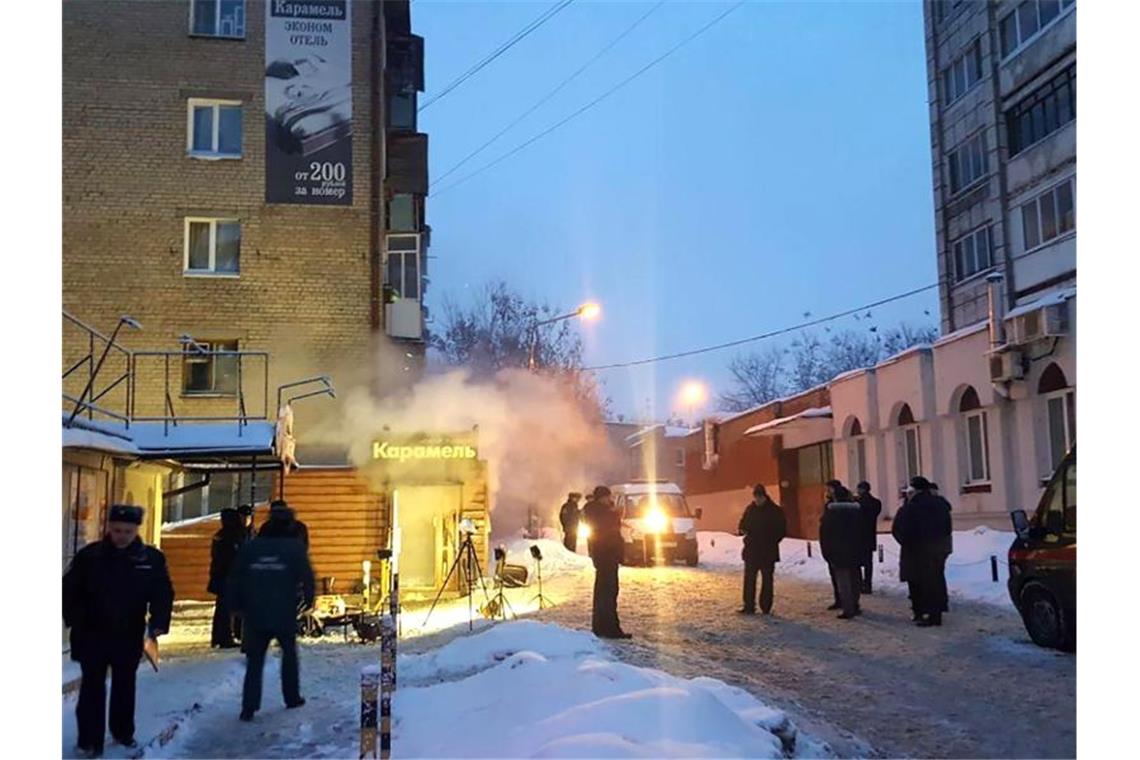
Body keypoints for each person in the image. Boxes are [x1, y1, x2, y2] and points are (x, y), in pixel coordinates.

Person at [63, 505, 175, 758]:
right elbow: (68, 590)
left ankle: (123, 732)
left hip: (128, 632)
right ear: (108, 528)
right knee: (92, 686)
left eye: (127, 531)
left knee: (125, 684)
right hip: (91, 632)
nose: (121, 535)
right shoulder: (90, 557)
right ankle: (89, 740)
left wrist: (158, 622)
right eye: (116, 530)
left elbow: (163, 593)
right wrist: (75, 618)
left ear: (137, 530)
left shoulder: (150, 559)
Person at [228, 513, 316, 721]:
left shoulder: (250, 548)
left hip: (255, 612)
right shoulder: (294, 549)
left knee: (255, 661)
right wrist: (307, 602)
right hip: (284, 612)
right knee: (289, 655)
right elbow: (308, 578)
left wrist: (235, 606)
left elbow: (234, 578)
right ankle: (291, 697)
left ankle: (248, 707)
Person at [892, 476, 953, 626]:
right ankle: (936, 614)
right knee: (936, 580)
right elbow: (947, 528)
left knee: (916, 582)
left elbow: (898, 529)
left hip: (915, 550)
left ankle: (920, 612)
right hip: (937, 548)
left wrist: (907, 543)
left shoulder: (910, 507)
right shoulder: (941, 505)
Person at [582, 485, 630, 639]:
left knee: (605, 593)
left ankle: (603, 627)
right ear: (602, 497)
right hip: (606, 556)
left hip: (605, 556)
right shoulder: (599, 512)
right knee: (608, 593)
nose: (610, 499)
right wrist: (616, 514)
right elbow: (608, 531)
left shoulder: (598, 511)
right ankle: (609, 628)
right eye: (608, 497)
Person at [736, 484, 787, 615]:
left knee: (767, 580)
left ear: (764, 496)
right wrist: (743, 530)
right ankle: (749, 606)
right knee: (749, 580)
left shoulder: (775, 511)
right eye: (756, 497)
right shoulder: (750, 509)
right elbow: (742, 524)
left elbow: (781, 530)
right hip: (752, 550)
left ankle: (766, 606)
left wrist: (771, 541)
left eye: (759, 497)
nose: (757, 500)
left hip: (767, 551)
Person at [819, 481, 863, 619]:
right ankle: (855, 604)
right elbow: (863, 532)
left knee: (843, 580)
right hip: (855, 550)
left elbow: (824, 534)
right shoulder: (857, 512)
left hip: (838, 552)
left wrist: (827, 552)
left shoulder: (831, 513)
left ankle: (848, 608)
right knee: (855, 578)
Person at [208, 508, 246, 649]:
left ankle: (219, 637)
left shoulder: (220, 535)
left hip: (220, 575)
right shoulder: (233, 535)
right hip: (230, 577)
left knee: (222, 609)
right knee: (228, 609)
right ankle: (225, 637)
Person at [854, 481, 882, 594]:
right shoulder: (876, 502)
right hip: (869, 536)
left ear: (862, 489)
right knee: (868, 563)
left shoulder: (858, 503)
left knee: (857, 562)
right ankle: (868, 584)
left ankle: (860, 584)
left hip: (858, 536)